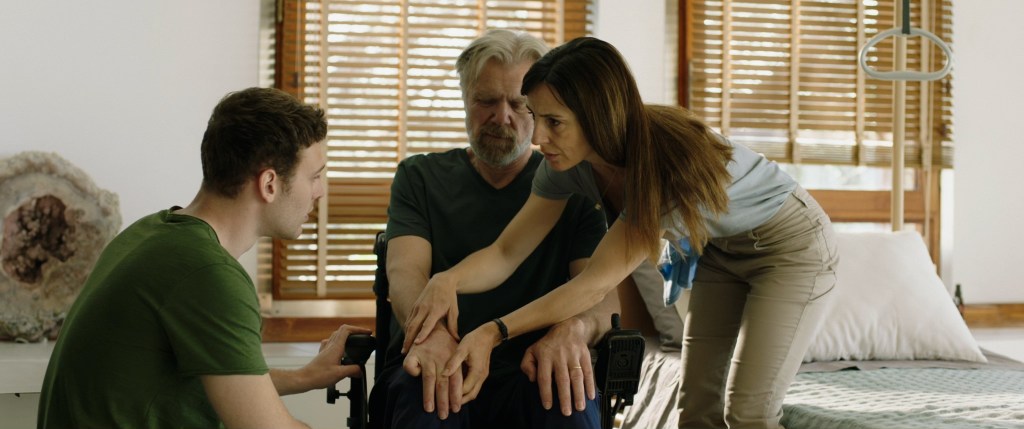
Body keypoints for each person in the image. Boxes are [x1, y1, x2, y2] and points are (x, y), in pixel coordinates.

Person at [404, 36, 840, 429]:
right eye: (535, 117)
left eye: (554, 122)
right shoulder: (567, 164)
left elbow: (593, 285)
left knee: (747, 414)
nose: (537, 137)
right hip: (717, 253)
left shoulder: (663, 164)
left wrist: (493, 331)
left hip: (788, 249)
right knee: (697, 411)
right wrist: (448, 280)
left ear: (596, 117)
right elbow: (506, 251)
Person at [37, 87, 371, 429]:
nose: (320, 191)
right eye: (314, 177)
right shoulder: (208, 274)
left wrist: (303, 377)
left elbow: (213, 375)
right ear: (269, 183)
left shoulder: (152, 233)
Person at [368, 29, 621, 429]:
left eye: (518, 104)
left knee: (566, 405)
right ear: (465, 100)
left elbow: (600, 293)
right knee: (427, 404)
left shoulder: (573, 180)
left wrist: (574, 329)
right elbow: (405, 273)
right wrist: (431, 335)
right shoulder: (420, 177)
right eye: (486, 101)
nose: (502, 117)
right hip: (440, 357)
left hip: (534, 361)